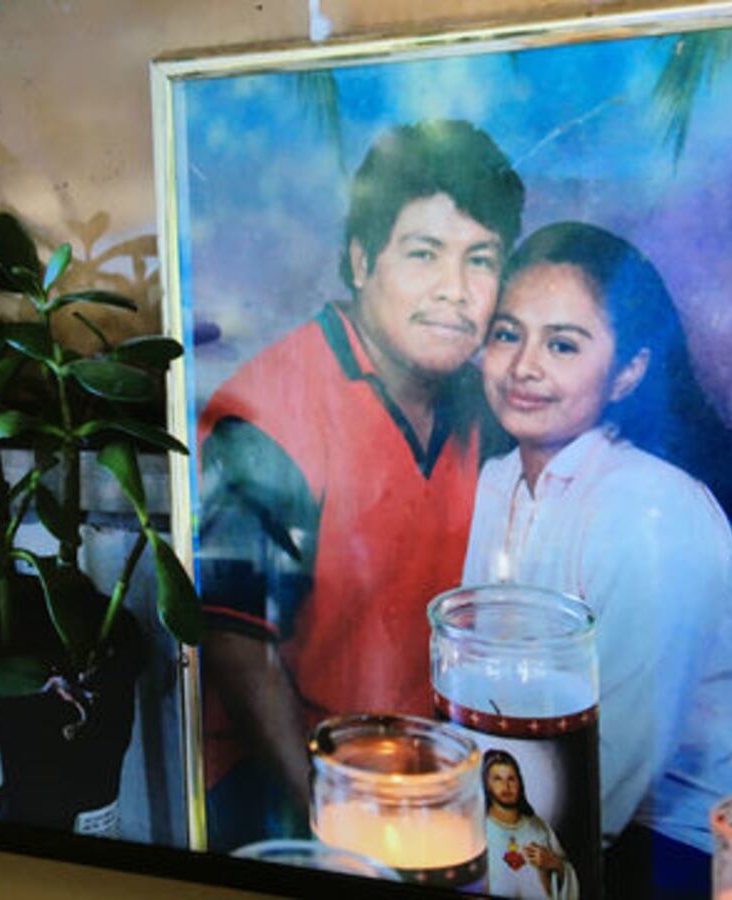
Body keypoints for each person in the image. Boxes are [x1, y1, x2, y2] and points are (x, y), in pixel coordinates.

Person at [194, 119, 525, 850]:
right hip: (284, 790)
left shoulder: (486, 406)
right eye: (423, 254)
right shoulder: (270, 416)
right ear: (361, 259)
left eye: (480, 260)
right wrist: (337, 827)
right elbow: (237, 646)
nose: (454, 290)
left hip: (434, 778)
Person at [460, 222, 732, 898]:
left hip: (697, 839)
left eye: (563, 344)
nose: (524, 365)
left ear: (629, 372)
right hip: (544, 817)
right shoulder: (494, 482)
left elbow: (609, 773)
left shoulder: (655, 510)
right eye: (507, 334)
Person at [482, 749, 578, 899]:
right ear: (487, 785)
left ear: (520, 783)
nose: (506, 786)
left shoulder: (539, 829)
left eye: (511, 779)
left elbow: (566, 875)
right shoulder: (477, 830)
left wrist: (555, 864)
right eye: (497, 779)